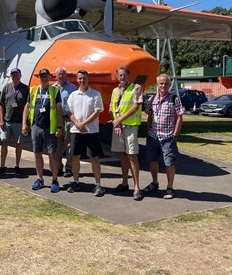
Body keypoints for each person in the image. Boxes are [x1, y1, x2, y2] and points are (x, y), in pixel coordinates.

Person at [22, 68, 63, 193]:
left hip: (49, 128)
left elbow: (59, 110)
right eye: (41, 76)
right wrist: (24, 123)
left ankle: (55, 180)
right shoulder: (33, 90)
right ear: (39, 77)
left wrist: (59, 127)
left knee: (52, 155)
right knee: (37, 154)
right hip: (36, 126)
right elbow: (27, 107)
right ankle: (39, 178)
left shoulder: (55, 91)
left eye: (45, 76)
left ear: (49, 77)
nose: (43, 78)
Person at [144, 74, 184, 199]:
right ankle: (154, 183)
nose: (163, 86)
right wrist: (148, 129)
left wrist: (175, 135)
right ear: (157, 84)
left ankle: (170, 188)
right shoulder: (152, 99)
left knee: (169, 162)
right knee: (152, 160)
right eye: (161, 83)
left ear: (169, 84)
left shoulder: (174, 99)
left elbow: (180, 117)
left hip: (168, 137)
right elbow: (149, 114)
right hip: (153, 135)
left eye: (166, 83)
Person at [66, 70, 105, 197]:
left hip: (91, 131)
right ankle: (76, 181)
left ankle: (98, 185)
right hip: (76, 131)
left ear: (88, 79)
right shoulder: (73, 95)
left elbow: (97, 111)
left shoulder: (95, 94)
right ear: (77, 80)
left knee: (94, 157)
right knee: (75, 157)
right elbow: (69, 112)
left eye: (84, 78)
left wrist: (84, 124)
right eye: (80, 78)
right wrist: (77, 123)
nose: (82, 80)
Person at [109, 66, 144, 201]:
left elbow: (136, 107)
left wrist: (119, 120)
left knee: (132, 156)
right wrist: (115, 123)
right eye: (120, 75)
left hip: (130, 127)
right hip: (118, 127)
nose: (122, 77)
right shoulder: (115, 90)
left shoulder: (136, 88)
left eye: (124, 75)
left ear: (128, 75)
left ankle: (137, 187)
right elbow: (112, 108)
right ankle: (125, 182)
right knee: (122, 155)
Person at [0, 67, 29, 176]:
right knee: (4, 143)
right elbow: (1, 103)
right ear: (11, 76)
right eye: (13, 74)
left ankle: (17, 165)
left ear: (20, 75)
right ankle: (2, 166)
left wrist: (25, 122)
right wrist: (1, 119)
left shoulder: (25, 89)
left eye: (16, 74)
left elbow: (28, 105)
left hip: (20, 122)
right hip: (7, 121)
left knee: (19, 144)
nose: (15, 76)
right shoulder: (6, 87)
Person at [53, 67, 77, 178]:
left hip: (68, 119)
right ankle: (58, 167)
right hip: (56, 120)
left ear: (66, 75)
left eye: (63, 74)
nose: (61, 76)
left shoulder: (73, 88)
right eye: (59, 74)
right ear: (56, 76)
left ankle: (69, 168)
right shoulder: (52, 88)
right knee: (57, 145)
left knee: (69, 145)